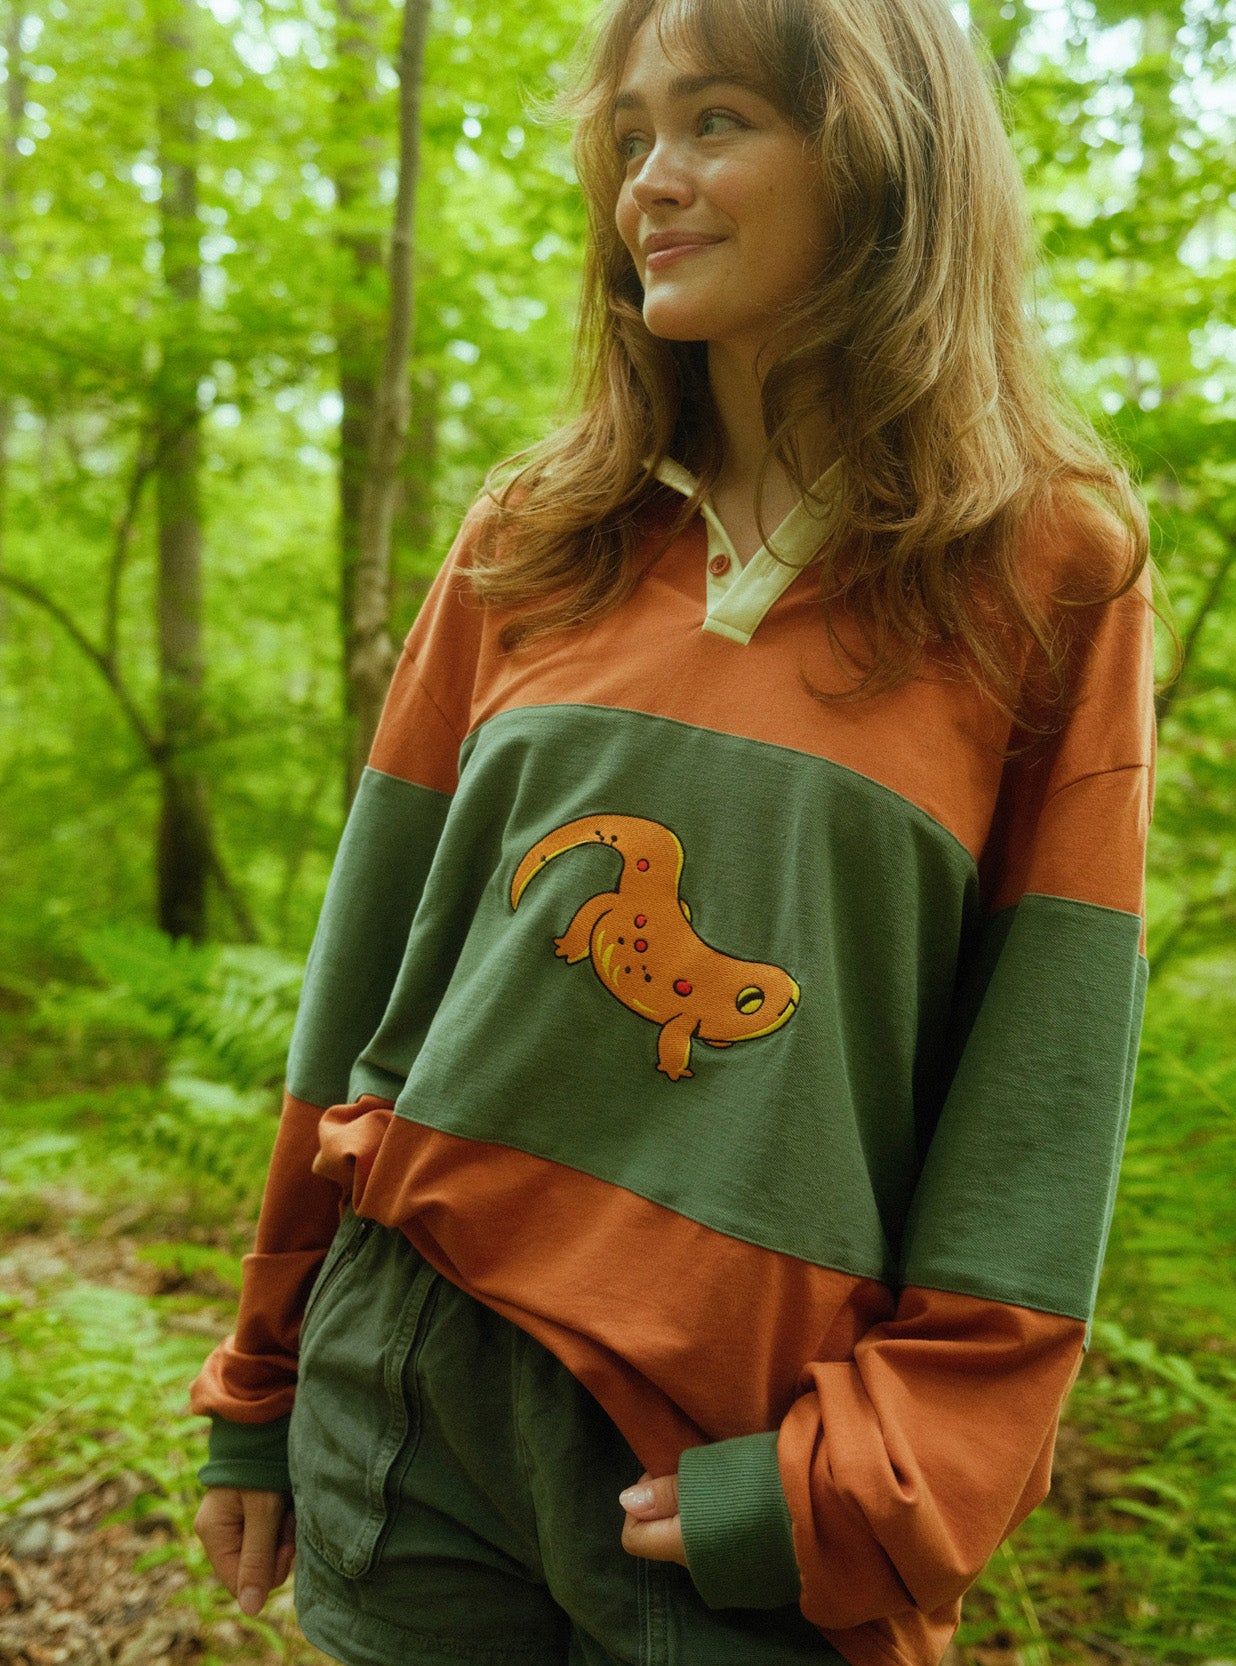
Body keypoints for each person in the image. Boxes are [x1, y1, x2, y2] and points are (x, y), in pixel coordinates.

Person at [191, 0, 1161, 1661]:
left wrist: (869, 1483)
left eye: (714, 122)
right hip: (410, 1398)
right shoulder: (532, 534)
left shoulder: (1048, 567)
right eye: (629, 136)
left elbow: (1040, 1110)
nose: (650, 179)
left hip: (744, 1460)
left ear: (879, 156)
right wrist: (266, 1376)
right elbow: (362, 992)